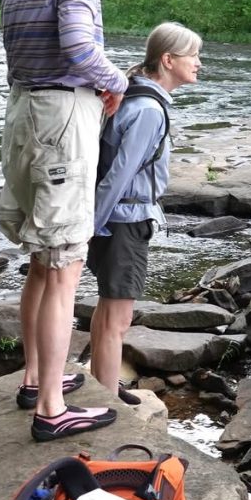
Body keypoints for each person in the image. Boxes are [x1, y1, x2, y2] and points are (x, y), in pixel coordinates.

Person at [0, 0, 133, 441]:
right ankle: (52, 409)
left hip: (23, 112)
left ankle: (35, 379)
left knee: (41, 258)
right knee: (63, 267)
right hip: (61, 118)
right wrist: (119, 81)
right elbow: (79, 48)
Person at [88, 22, 202, 405]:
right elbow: (120, 175)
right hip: (124, 221)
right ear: (168, 60)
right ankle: (106, 399)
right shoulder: (150, 110)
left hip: (114, 219)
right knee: (118, 318)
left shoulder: (134, 95)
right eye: (193, 55)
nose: (199, 63)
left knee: (107, 308)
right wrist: (92, 225)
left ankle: (103, 383)